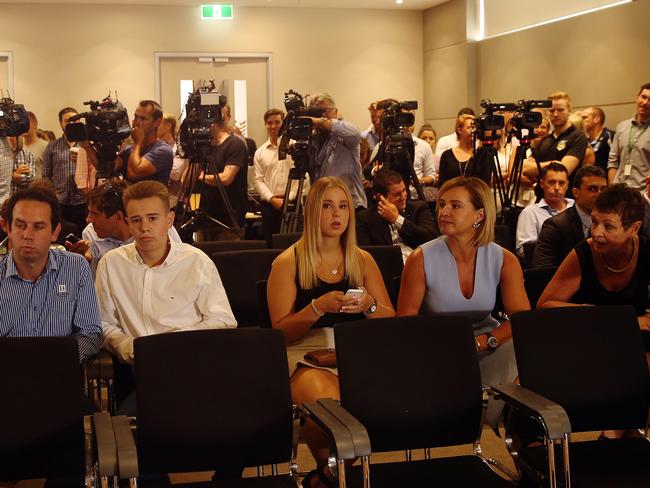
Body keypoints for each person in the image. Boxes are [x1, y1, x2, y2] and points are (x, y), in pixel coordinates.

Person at [267, 176, 393, 486]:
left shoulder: (362, 260)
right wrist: (317, 308)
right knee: (332, 409)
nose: (336, 215)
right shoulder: (288, 262)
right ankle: (334, 471)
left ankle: (326, 477)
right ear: (311, 212)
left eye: (342, 206)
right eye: (327, 206)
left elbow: (392, 320)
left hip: (355, 353)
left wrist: (370, 305)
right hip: (305, 356)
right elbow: (279, 334)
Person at [95, 181, 236, 415]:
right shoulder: (112, 264)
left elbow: (224, 321)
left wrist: (172, 344)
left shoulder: (196, 261)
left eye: (152, 218)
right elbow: (103, 322)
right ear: (127, 221)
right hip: (142, 374)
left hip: (194, 369)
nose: (144, 228)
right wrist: (125, 345)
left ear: (169, 220)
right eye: (136, 220)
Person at [397, 176, 530, 425]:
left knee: (523, 352)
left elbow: (522, 320)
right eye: (442, 204)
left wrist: (485, 341)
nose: (444, 212)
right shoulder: (420, 258)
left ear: (479, 215)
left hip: (486, 344)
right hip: (435, 346)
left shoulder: (504, 259)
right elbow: (405, 324)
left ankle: (523, 436)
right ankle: (467, 425)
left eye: (455, 206)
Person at [537, 184, 649, 384]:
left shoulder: (647, 252)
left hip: (635, 347)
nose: (596, 233)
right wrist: (597, 315)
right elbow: (545, 305)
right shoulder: (584, 252)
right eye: (594, 222)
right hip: (586, 344)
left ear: (634, 228)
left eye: (608, 226)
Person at [0, 186, 102, 362]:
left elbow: (90, 333)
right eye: (20, 225)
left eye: (38, 227)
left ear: (55, 232)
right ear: (7, 228)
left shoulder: (76, 269)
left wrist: (54, 360)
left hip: (58, 373)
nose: (27, 235)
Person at [356, 169, 438, 262]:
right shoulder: (364, 219)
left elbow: (431, 240)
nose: (403, 196)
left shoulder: (418, 208)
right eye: (397, 194)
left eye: (404, 190)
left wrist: (397, 220)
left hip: (419, 265)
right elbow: (366, 256)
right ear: (380, 197)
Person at [533, 165, 608, 267]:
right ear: (576, 192)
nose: (599, 194)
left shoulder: (610, 224)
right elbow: (543, 270)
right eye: (592, 189)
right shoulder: (555, 226)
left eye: (603, 189)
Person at [308, 93, 367, 210]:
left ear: (335, 111)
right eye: (317, 112)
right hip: (325, 204)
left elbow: (355, 133)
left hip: (351, 204)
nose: (322, 115)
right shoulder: (314, 138)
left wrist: (319, 121)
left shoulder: (345, 133)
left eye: (325, 110)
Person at [254, 108, 304, 244]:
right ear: (265, 125)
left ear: (284, 124)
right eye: (269, 123)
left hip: (293, 202)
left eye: (277, 122)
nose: (273, 126)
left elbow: (303, 177)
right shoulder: (260, 153)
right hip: (270, 206)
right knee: (271, 245)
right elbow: (258, 180)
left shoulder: (295, 148)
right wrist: (272, 199)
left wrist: (290, 196)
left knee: (295, 245)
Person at [198, 107, 249, 240]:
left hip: (228, 221)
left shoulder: (235, 144)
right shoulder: (204, 147)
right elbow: (185, 181)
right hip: (205, 218)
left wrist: (201, 177)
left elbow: (226, 179)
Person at [524, 91, 588, 190]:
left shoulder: (577, 136)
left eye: (560, 110)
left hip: (566, 199)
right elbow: (526, 168)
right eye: (552, 110)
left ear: (569, 111)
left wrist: (538, 169)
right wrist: (554, 163)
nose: (555, 114)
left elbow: (564, 170)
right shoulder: (546, 139)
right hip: (542, 198)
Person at [42, 107, 88, 234]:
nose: (72, 124)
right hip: (60, 202)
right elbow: (45, 175)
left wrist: (84, 159)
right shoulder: (52, 146)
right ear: (61, 123)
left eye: (75, 120)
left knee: (84, 236)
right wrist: (52, 194)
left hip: (83, 200)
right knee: (62, 236)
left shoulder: (87, 145)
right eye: (68, 121)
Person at [515, 162, 573, 258]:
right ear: (542, 184)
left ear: (567, 185)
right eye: (551, 182)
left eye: (561, 183)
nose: (557, 188)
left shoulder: (575, 206)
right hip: (546, 266)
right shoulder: (530, 213)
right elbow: (523, 251)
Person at [116, 100, 173, 185]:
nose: (137, 122)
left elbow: (133, 173)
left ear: (157, 122)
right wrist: (88, 145)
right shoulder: (130, 150)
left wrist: (137, 143)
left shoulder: (163, 150)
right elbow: (106, 167)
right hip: (131, 197)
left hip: (152, 197)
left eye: (143, 119)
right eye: (136, 117)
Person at [607, 82, 650, 192]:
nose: (645, 102)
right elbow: (613, 161)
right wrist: (613, 188)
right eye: (643, 97)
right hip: (619, 192)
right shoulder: (622, 127)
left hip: (642, 194)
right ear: (637, 97)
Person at [438, 114, 490, 187]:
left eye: (475, 127)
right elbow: (442, 184)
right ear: (459, 130)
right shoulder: (447, 155)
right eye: (470, 127)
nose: (474, 130)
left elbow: (485, 183)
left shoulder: (481, 154)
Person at [157, 112, 188, 208]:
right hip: (156, 198)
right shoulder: (154, 145)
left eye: (159, 123)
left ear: (168, 126)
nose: (155, 126)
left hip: (172, 202)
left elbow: (175, 174)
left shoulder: (178, 147)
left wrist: (154, 166)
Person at [581, 106, 614, 172]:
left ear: (596, 119)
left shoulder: (610, 136)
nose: (581, 121)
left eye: (584, 118)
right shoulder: (584, 140)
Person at [23, 111, 49, 180]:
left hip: (38, 188)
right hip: (21, 189)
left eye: (26, 123)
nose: (23, 126)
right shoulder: (18, 146)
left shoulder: (45, 146)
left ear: (35, 124)